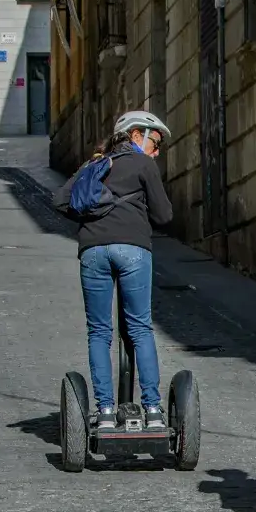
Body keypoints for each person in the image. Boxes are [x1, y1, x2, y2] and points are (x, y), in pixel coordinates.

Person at [54, 111, 173, 430]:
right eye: (155, 143)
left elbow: (61, 200)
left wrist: (92, 218)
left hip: (93, 250)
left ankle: (105, 412)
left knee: (99, 332)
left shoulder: (94, 164)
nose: (156, 152)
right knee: (140, 328)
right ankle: (152, 411)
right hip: (133, 249)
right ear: (136, 135)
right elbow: (164, 215)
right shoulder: (143, 164)